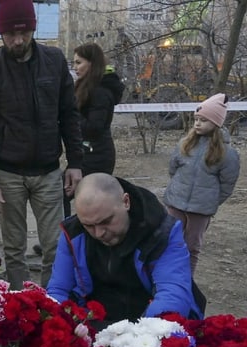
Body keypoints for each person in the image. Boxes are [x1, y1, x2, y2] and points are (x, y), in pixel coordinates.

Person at [0, 0, 83, 289]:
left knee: (56, 246)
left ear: (34, 28)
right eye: (10, 34)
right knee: (13, 248)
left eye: (24, 33)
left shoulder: (55, 60)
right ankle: (21, 304)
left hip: (48, 171)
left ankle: (52, 301)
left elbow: (69, 114)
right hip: (7, 174)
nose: (18, 40)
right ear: (0, 33)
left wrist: (76, 162)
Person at [47, 173, 205, 328]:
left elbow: (172, 294)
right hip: (93, 324)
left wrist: (139, 337)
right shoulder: (73, 233)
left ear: (126, 202)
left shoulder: (162, 232)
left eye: (106, 221)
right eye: (88, 225)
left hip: (144, 325)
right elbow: (59, 290)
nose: (99, 233)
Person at [163, 93, 240, 274]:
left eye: (204, 120)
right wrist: (177, 189)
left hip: (201, 209)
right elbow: (173, 169)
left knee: (192, 246)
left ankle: (186, 280)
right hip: (176, 202)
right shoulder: (185, 144)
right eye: (196, 119)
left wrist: (210, 200)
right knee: (169, 239)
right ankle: (167, 275)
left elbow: (227, 184)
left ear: (216, 123)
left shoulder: (227, 154)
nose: (197, 123)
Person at [67, 43, 125, 217]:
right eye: (74, 63)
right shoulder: (86, 86)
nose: (75, 67)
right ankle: (68, 239)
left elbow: (95, 127)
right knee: (69, 195)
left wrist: (70, 117)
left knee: (71, 195)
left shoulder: (100, 91)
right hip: (87, 152)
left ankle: (69, 239)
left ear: (92, 63)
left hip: (97, 155)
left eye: (79, 63)